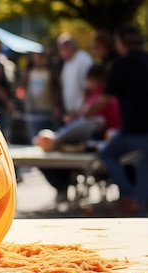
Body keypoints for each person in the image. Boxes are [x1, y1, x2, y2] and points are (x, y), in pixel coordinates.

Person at [34, 64, 121, 203]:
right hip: (96, 139)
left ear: (93, 79)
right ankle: (65, 184)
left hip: (99, 141)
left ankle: (63, 185)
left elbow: (87, 117)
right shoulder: (101, 93)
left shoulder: (101, 94)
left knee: (51, 156)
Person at [86, 25, 148, 216]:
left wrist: (85, 114)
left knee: (107, 155)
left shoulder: (121, 65)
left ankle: (131, 196)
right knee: (143, 169)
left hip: (132, 130)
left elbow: (104, 99)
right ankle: (140, 207)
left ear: (120, 44)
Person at [56, 33, 94, 122]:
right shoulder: (67, 62)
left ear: (69, 46)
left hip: (82, 113)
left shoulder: (84, 60)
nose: (60, 52)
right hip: (71, 113)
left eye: (61, 48)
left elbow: (88, 87)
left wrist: (80, 110)